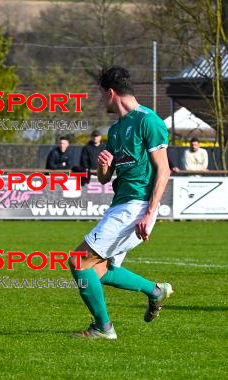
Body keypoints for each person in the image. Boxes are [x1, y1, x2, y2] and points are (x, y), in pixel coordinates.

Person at [69, 66, 173, 340]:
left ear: (111, 92)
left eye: (102, 95)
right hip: (120, 203)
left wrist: (149, 214)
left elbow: (164, 170)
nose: (101, 101)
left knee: (79, 260)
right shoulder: (115, 131)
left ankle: (103, 328)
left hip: (137, 205)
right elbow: (105, 179)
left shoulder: (147, 121)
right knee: (100, 269)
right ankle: (155, 290)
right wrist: (103, 166)